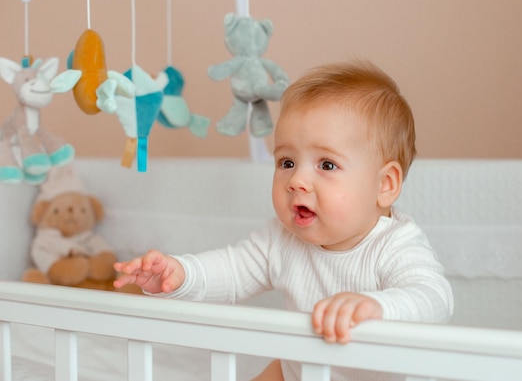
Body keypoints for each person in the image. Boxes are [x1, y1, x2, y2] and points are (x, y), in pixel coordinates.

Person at [114, 59, 454, 381]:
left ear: (385, 185)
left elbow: (434, 299)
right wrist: (179, 274)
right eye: (287, 162)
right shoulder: (282, 238)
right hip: (300, 370)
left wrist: (377, 307)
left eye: (327, 165)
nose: (296, 181)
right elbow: (231, 271)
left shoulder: (394, 244)